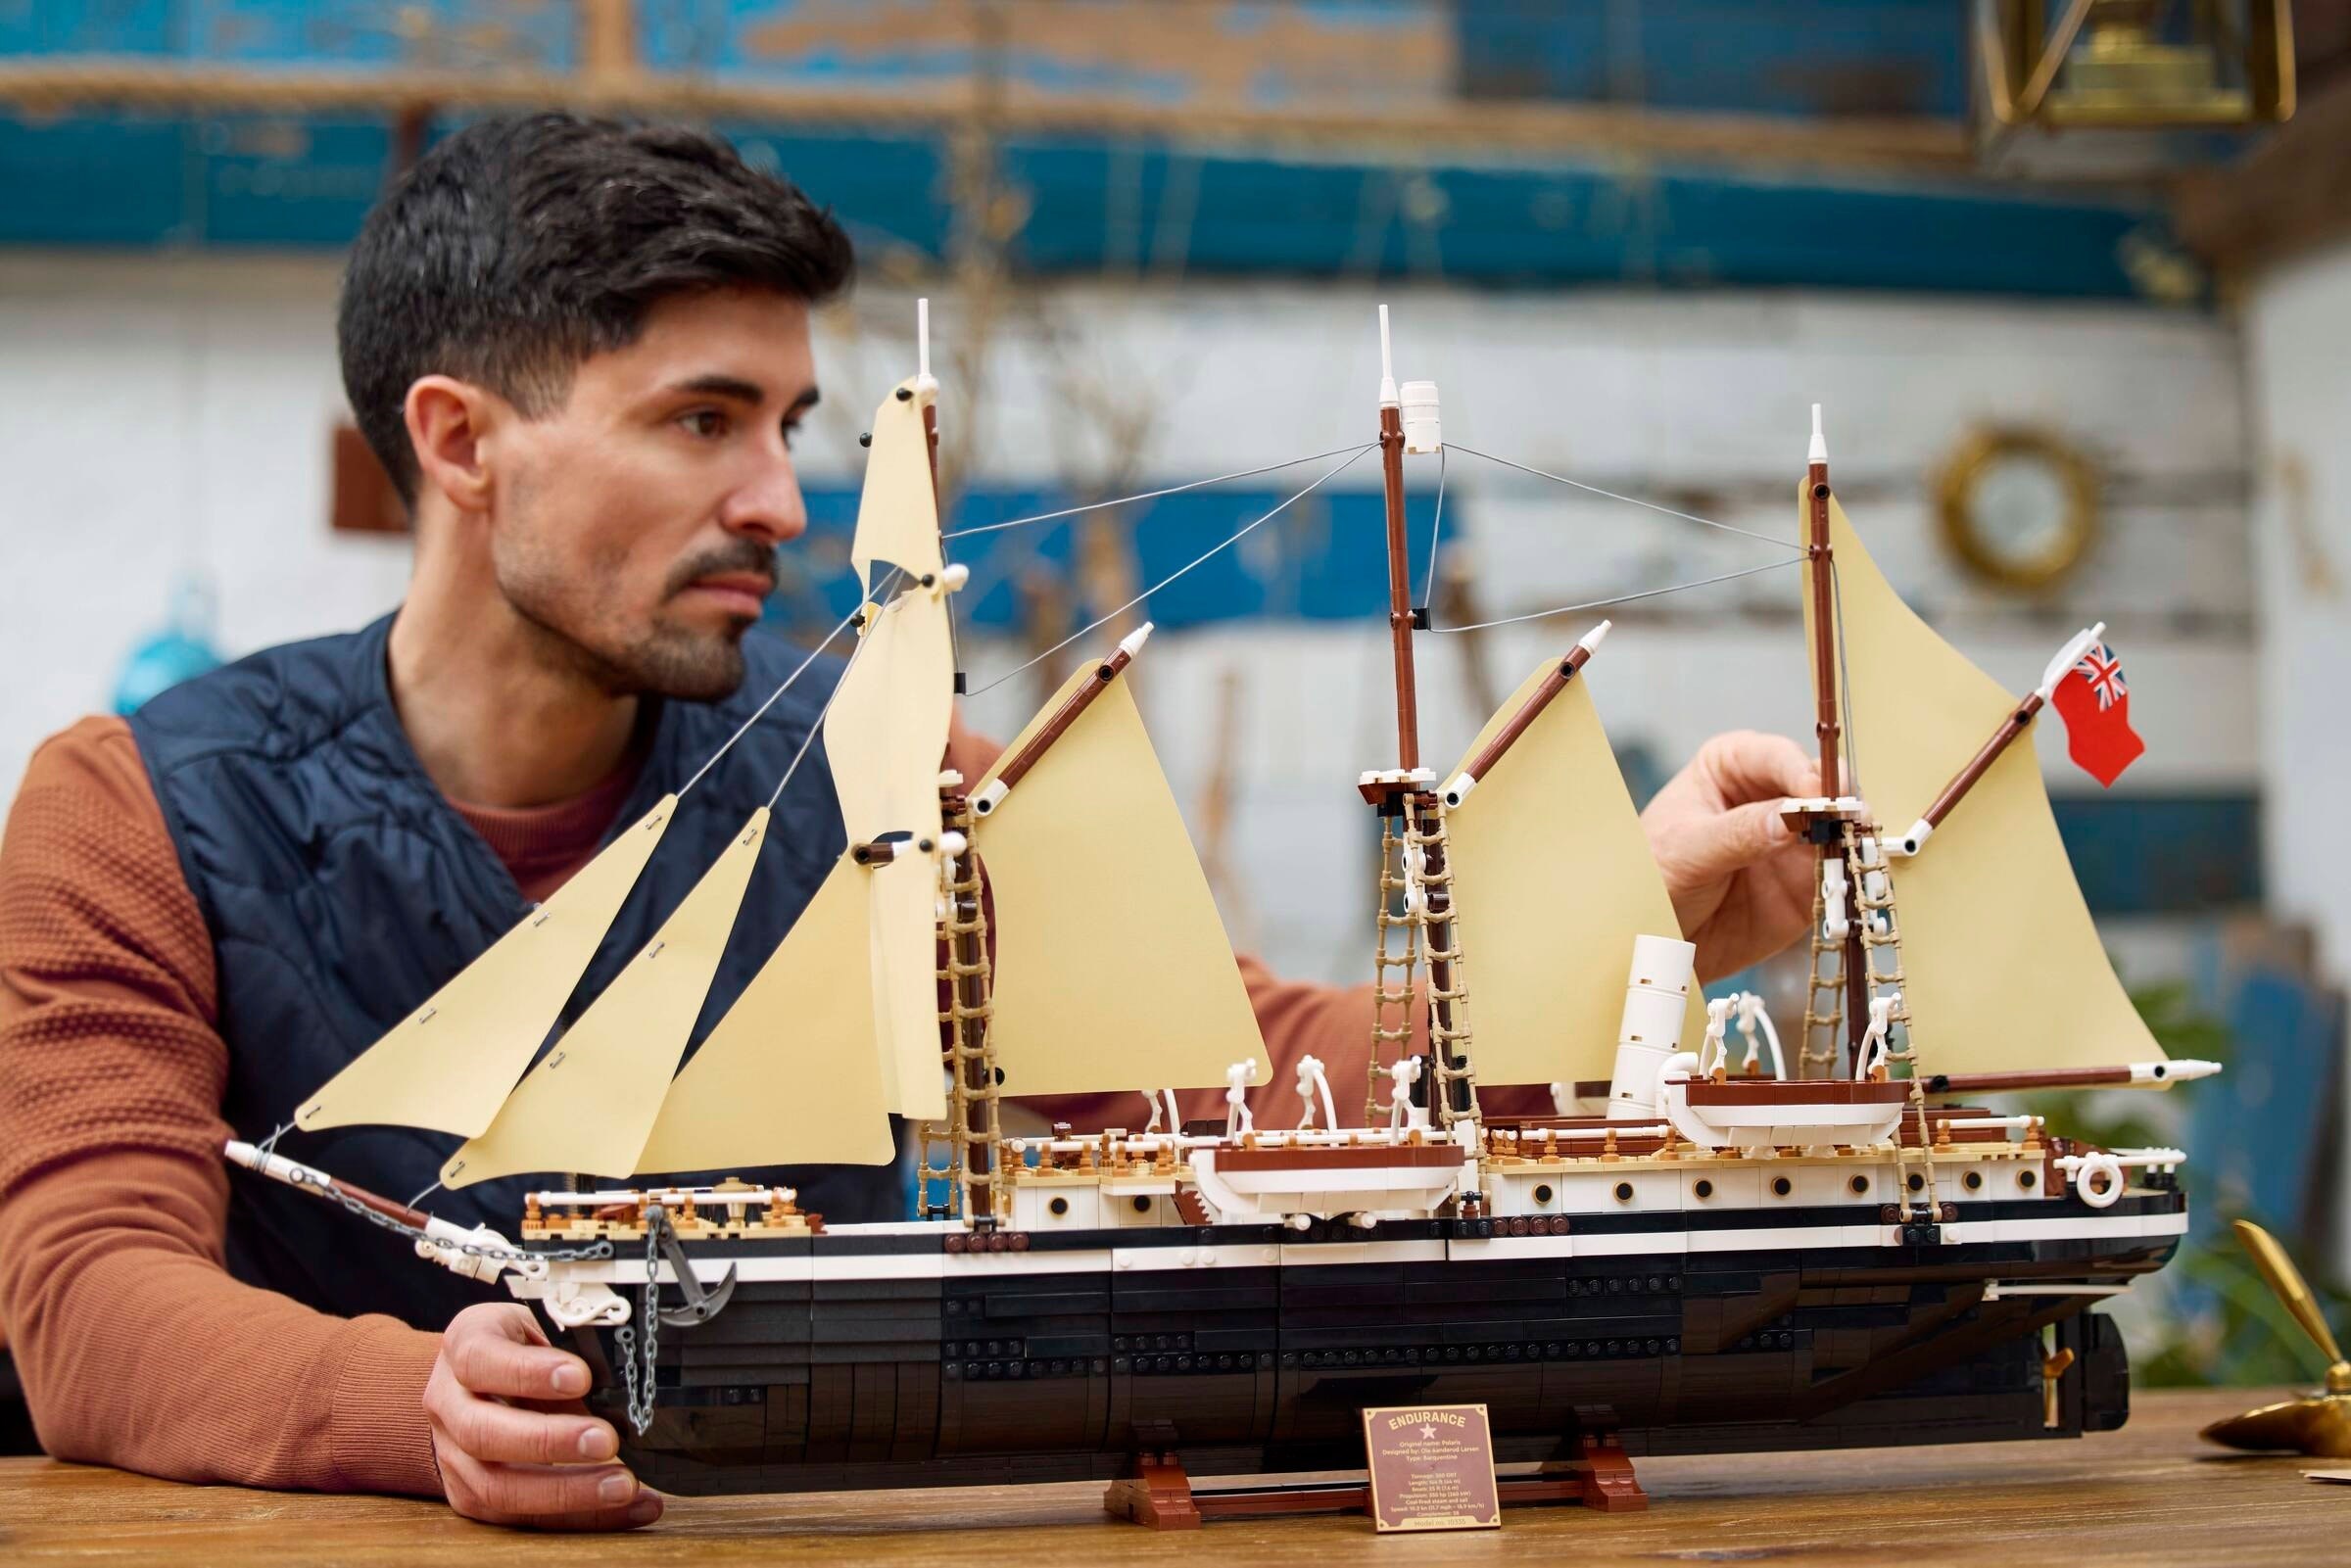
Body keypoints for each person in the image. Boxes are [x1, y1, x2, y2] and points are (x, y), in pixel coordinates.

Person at [0, 115, 1818, 1533]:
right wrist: (408, 1406)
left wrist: (1620, 927)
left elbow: (1237, 1067)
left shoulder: (876, 761)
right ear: (463, 442)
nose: (781, 500)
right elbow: (87, 1292)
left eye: (789, 423)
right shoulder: (142, 810)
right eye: (702, 420)